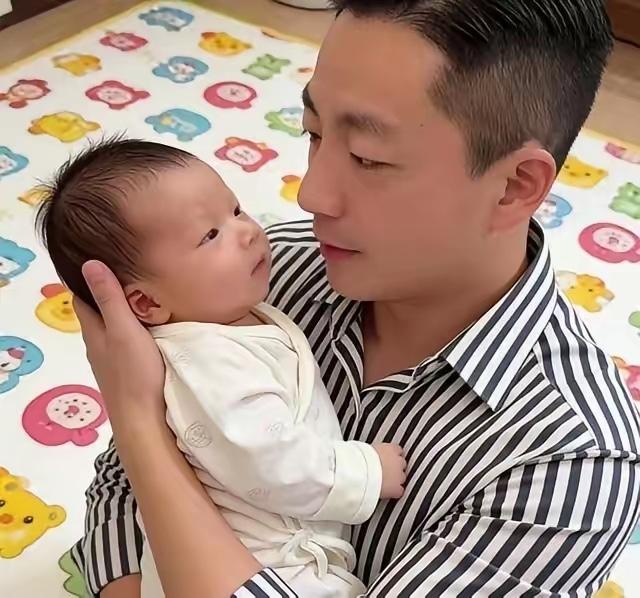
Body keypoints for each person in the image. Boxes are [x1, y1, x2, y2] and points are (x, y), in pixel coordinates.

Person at [68, 1, 640, 596]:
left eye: (369, 157)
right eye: (313, 133)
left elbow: (146, 451)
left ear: (514, 187)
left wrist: (137, 420)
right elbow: (123, 489)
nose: (311, 194)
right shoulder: (268, 277)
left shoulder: (568, 464)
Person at [36, 139, 408, 597]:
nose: (247, 231)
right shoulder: (204, 360)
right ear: (146, 303)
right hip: (274, 565)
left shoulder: (235, 314)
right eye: (210, 235)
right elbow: (266, 458)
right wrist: (365, 472)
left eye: (235, 210)